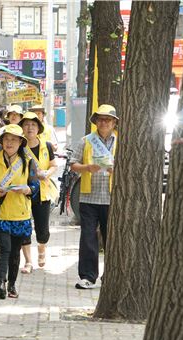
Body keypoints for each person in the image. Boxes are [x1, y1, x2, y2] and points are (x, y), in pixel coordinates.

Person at [0, 124, 39, 299]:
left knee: (14, 251)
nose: (9, 143)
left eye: (14, 139)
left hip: (20, 213)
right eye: (6, 139)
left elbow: (35, 187)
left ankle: (12, 284)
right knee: (3, 248)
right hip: (0, 213)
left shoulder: (28, 162)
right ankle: (0, 282)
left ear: (21, 142)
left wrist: (26, 189)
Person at [70, 104, 118, 289]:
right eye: (101, 119)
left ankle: (111, 276)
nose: (104, 122)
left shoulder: (122, 141)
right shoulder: (86, 141)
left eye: (108, 119)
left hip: (111, 197)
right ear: (96, 122)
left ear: (114, 122)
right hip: (88, 197)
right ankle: (88, 276)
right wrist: (87, 168)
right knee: (88, 237)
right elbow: (73, 164)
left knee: (111, 238)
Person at [18, 112, 58, 273]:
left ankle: (42, 249)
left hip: (42, 192)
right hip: (23, 192)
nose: (30, 128)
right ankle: (28, 261)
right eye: (26, 124)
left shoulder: (46, 146)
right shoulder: (19, 146)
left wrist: (47, 174)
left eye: (33, 125)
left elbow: (53, 165)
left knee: (42, 229)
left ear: (38, 128)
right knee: (24, 226)